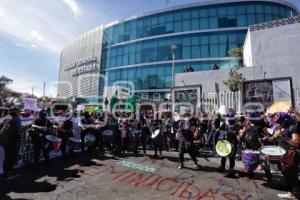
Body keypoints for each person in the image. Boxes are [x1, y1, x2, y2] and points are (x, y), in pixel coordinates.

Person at [3, 107, 22, 180]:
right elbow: (18, 131)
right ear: (16, 111)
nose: (20, 113)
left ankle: (7, 173)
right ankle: (8, 175)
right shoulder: (16, 118)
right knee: (11, 158)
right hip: (13, 141)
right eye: (19, 111)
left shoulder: (7, 117)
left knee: (7, 157)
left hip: (6, 141)